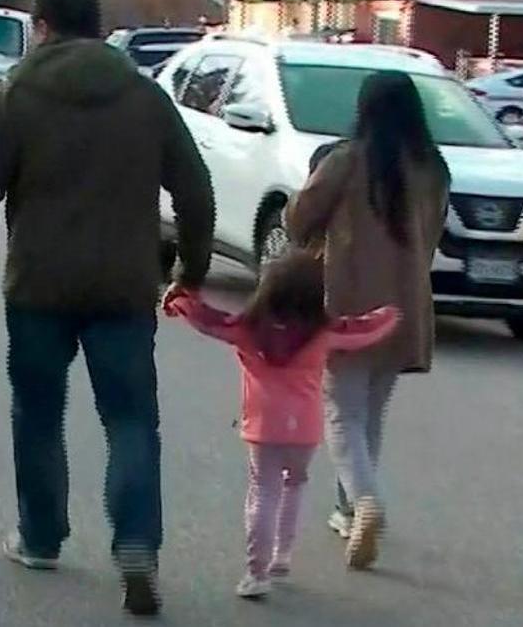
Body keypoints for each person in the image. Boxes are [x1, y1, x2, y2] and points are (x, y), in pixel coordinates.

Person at [0, 0, 215, 616]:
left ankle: (40, 537)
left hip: (38, 287)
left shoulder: (19, 95)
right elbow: (196, 191)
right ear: (98, 29)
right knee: (131, 420)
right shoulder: (145, 96)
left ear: (44, 27)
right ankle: (137, 543)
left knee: (37, 412)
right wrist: (191, 271)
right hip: (123, 289)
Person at [286, 71, 451, 570]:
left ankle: (363, 501)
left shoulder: (347, 161)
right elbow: (436, 233)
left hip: (349, 303)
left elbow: (299, 221)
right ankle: (348, 507)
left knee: (341, 411)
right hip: (404, 307)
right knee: (371, 412)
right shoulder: (433, 169)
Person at [164, 251, 400, 599]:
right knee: (295, 486)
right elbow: (365, 329)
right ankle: (282, 556)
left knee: (263, 492)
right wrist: (394, 312)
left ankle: (255, 571)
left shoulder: (246, 329)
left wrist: (179, 301)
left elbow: (208, 320)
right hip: (304, 431)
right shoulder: (324, 332)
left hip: (263, 428)